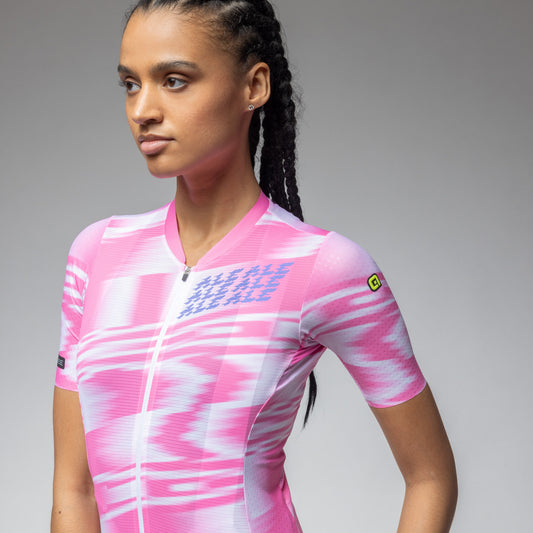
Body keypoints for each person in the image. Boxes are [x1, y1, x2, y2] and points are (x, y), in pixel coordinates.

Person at [51, 1, 458, 531]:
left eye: (174, 81)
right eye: (131, 84)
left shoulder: (324, 268)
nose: (142, 109)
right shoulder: (97, 254)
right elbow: (74, 487)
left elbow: (431, 477)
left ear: (254, 86)